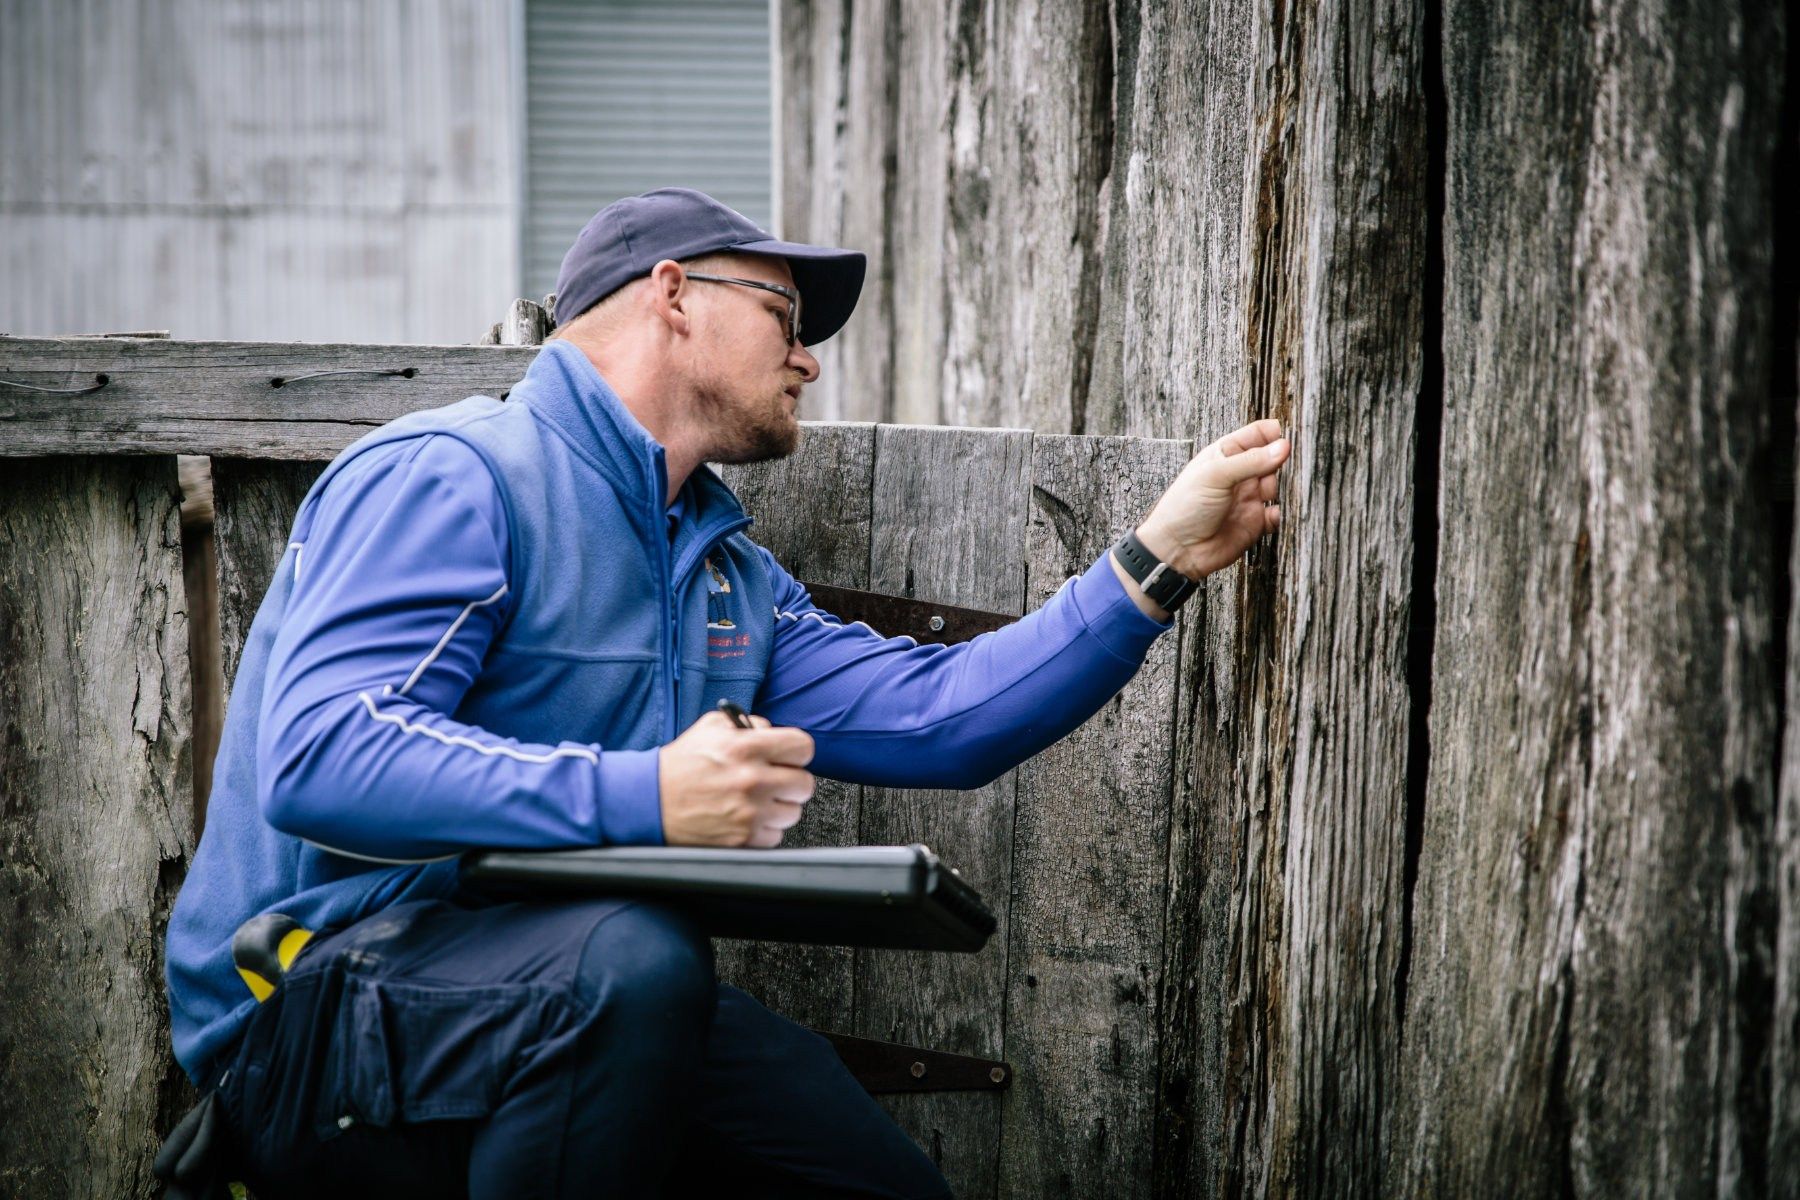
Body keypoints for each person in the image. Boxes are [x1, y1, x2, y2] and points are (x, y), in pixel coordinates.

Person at [162, 187, 1290, 1199]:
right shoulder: (458, 476)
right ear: (671, 295)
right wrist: (651, 792)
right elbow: (324, 758)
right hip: (306, 1021)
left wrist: (1159, 560)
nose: (807, 360)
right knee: (640, 964)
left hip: (588, 995)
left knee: (867, 1172)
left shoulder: (727, 575)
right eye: (786, 319)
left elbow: (943, 719)